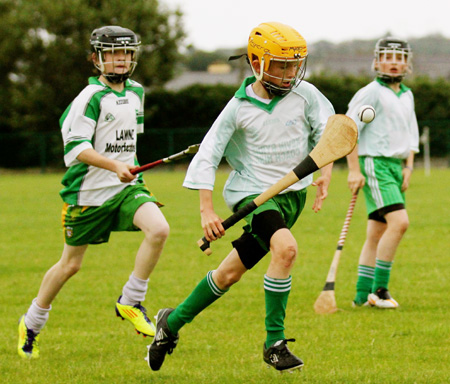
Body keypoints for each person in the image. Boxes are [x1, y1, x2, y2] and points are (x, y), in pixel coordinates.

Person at [147, 22, 335, 373]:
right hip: (253, 194)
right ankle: (274, 344)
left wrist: (324, 174)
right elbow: (207, 155)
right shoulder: (237, 108)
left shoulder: (306, 94)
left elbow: (329, 133)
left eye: (294, 64)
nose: (290, 72)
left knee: (228, 274)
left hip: (290, 197)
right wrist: (207, 210)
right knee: (286, 249)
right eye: (281, 65)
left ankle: (169, 324)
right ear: (256, 63)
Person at [17, 26, 170, 359]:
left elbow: (127, 144)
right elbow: (76, 149)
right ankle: (32, 321)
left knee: (159, 229)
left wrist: (126, 169)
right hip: (87, 194)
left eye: (127, 53)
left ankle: (130, 301)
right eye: (114, 53)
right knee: (70, 266)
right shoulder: (88, 98)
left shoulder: (137, 92)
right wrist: (113, 166)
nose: (122, 60)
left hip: (126, 189)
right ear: (97, 58)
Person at [345, 37, 419, 308]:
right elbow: (349, 131)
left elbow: (411, 135)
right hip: (375, 164)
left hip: (396, 167)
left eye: (399, 58)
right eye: (388, 57)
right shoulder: (370, 93)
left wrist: (408, 167)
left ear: (407, 63)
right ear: (377, 61)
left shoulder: (407, 95)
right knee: (400, 223)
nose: (393, 63)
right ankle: (379, 289)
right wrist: (354, 170)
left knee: (376, 233)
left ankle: (361, 296)